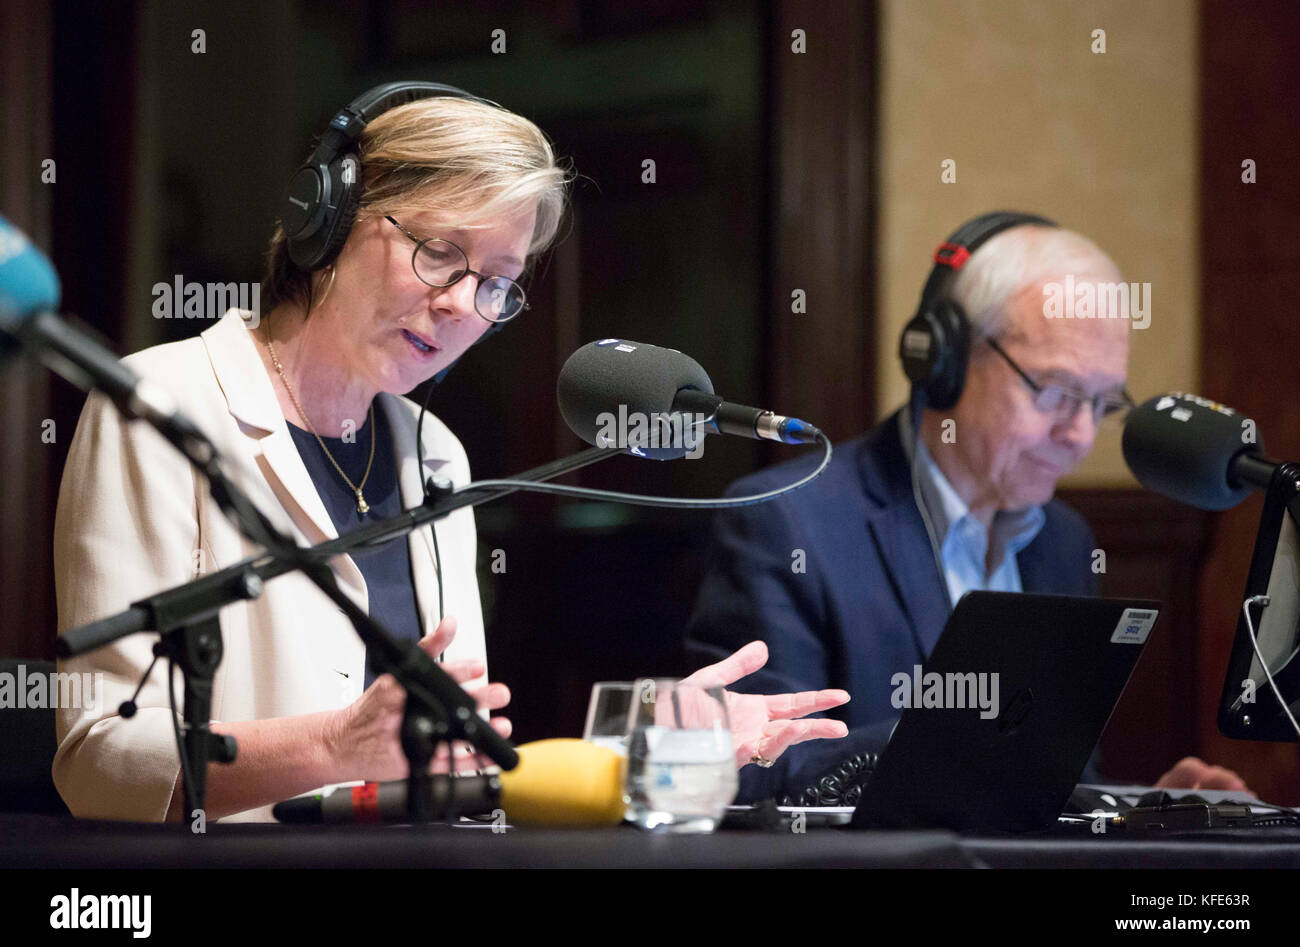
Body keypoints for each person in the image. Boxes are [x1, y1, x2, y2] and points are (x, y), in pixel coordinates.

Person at [52, 83, 848, 823]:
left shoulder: (435, 454)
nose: (462, 306)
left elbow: (456, 767)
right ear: (325, 221)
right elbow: (99, 762)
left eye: (496, 283)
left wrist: (652, 751)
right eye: (439, 254)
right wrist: (331, 747)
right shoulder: (157, 409)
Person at [685, 211, 1250, 802]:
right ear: (945, 361)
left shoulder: (1065, 541)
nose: (1081, 435)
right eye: (1056, 392)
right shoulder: (784, 522)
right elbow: (756, 771)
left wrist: (1126, 809)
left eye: (1103, 403)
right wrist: (962, 739)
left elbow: (1050, 780)